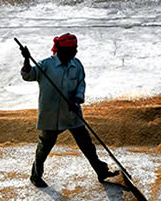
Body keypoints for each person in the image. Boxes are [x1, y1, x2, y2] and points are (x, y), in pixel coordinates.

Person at [20, 33, 119, 188]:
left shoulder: (77, 65)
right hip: (51, 116)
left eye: (75, 49)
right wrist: (26, 59)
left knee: (87, 144)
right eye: (71, 50)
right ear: (60, 51)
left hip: (72, 114)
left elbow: (81, 84)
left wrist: (77, 99)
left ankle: (101, 171)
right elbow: (28, 75)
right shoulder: (45, 65)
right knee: (44, 147)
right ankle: (35, 175)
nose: (75, 53)